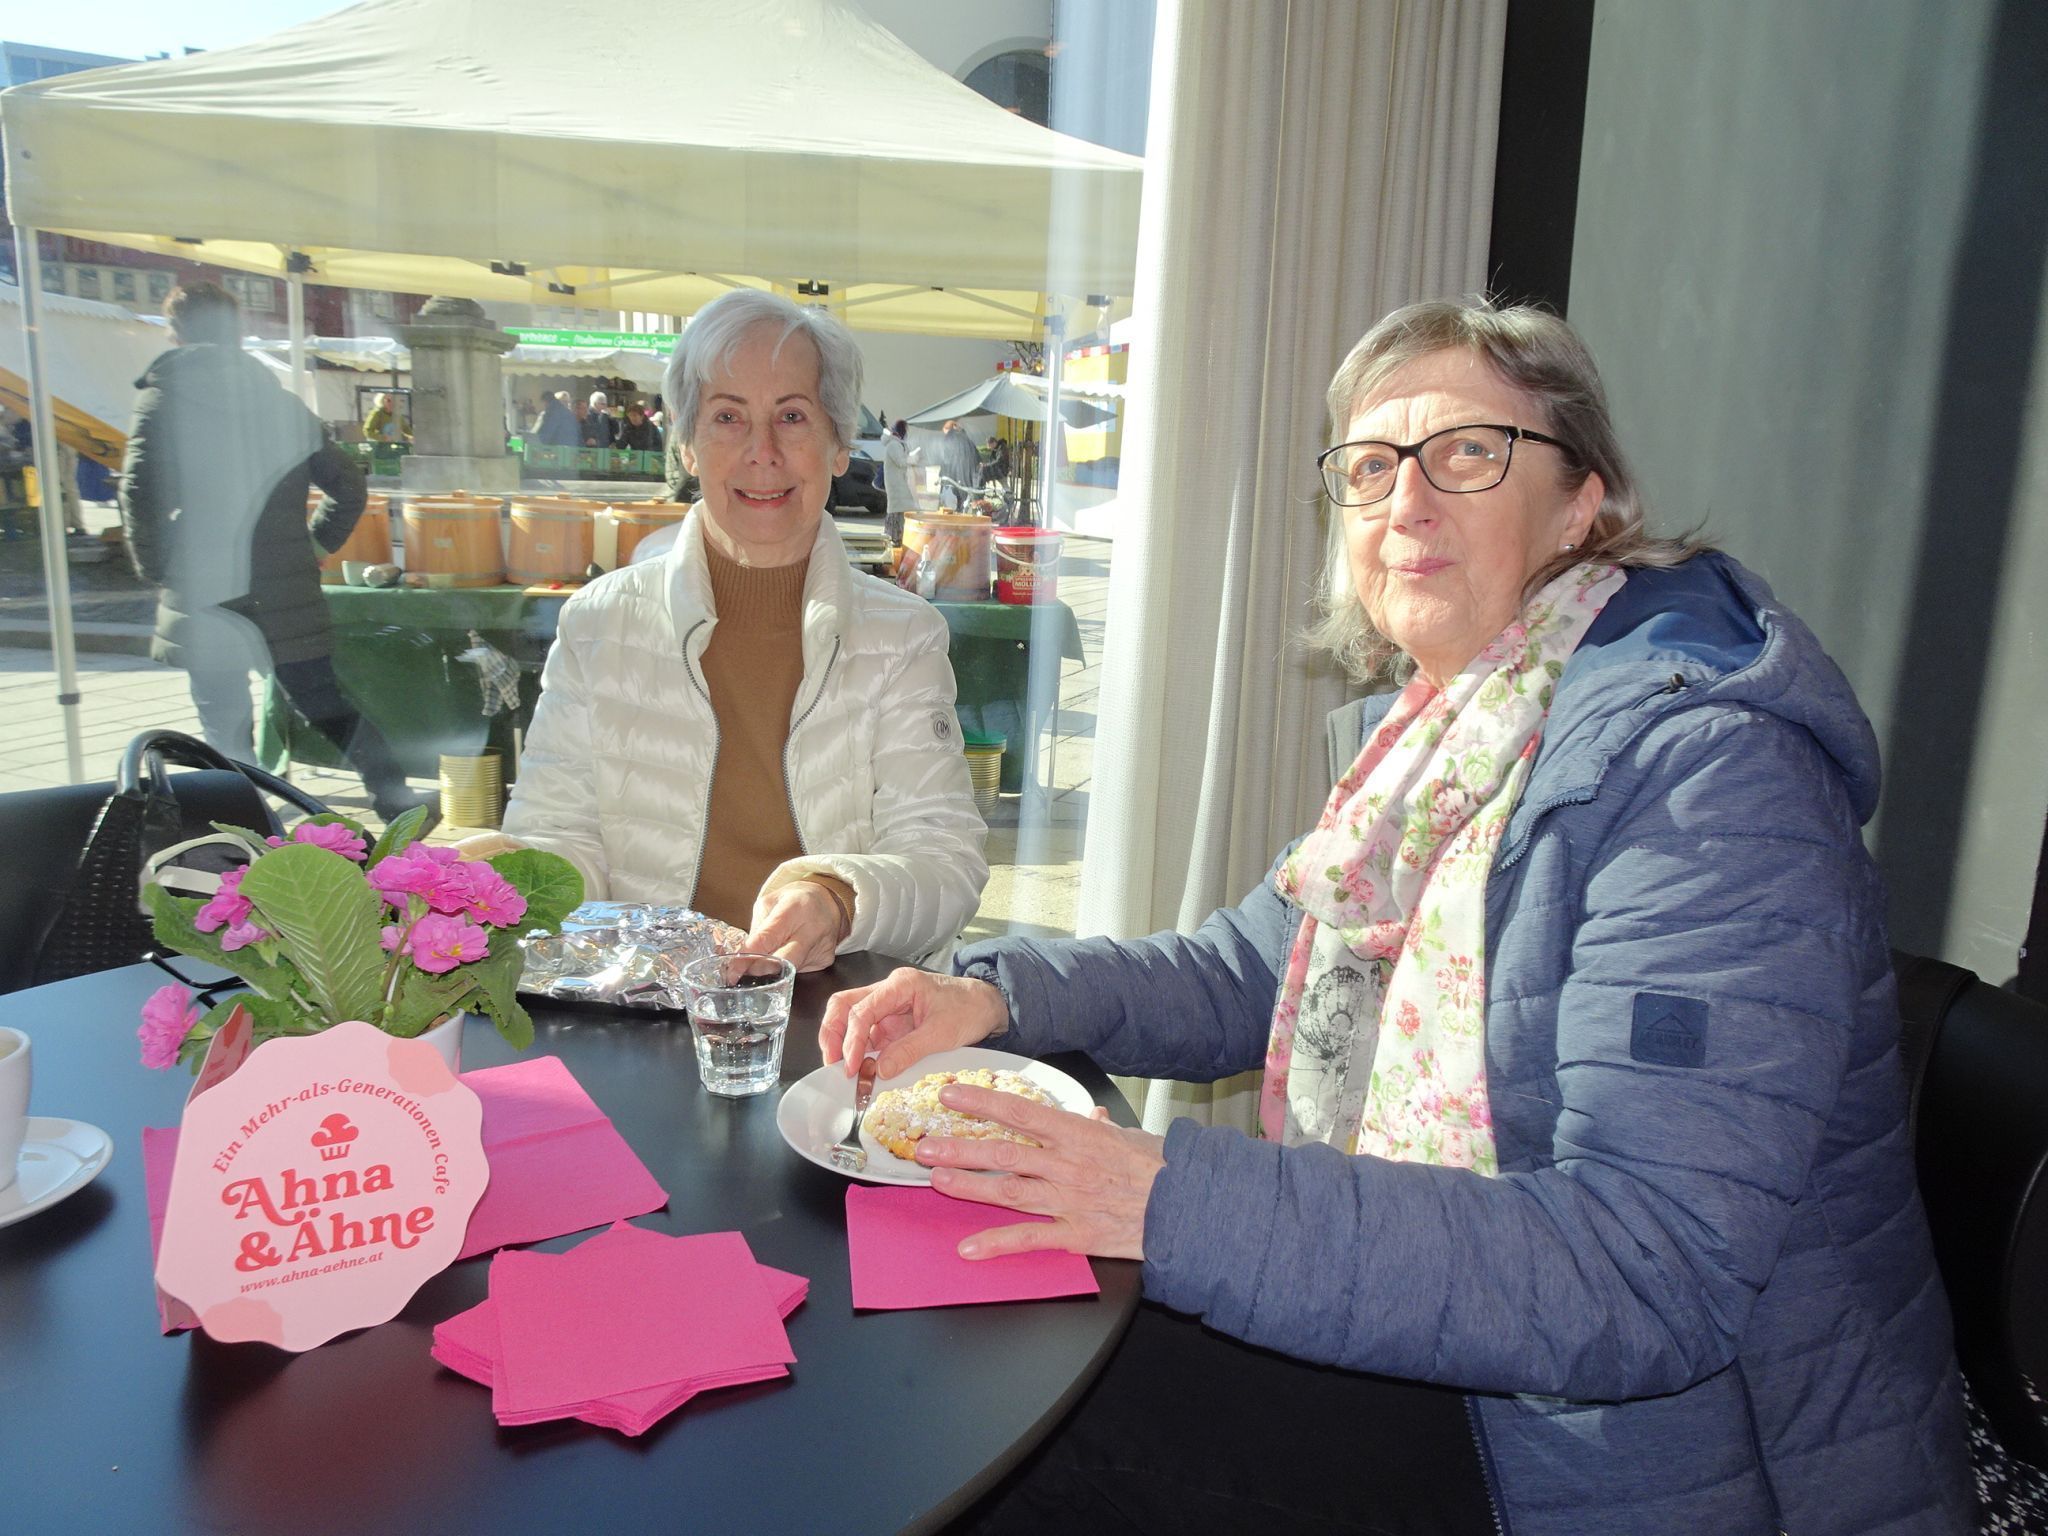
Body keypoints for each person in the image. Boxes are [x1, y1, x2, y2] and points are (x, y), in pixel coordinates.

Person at [821, 300, 1972, 1533]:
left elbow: (1647, 1275)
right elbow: (1244, 971)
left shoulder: (1709, 781)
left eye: (1465, 454)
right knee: (976, 1346)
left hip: (1640, 1459)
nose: (1405, 504)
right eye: (1368, 470)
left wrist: (1161, 1197)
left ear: (1583, 501)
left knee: (1019, 1445)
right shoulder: (1439, 737)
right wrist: (1001, 994)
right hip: (1482, 1367)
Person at [481, 288, 988, 968]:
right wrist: (500, 872)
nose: (762, 451)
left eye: (793, 416)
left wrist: (839, 899)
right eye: (727, 417)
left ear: (838, 444)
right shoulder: (599, 624)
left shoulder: (904, 637)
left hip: (835, 1010)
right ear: (688, 446)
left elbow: (944, 862)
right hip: (647, 1002)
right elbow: (560, 840)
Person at [120, 282, 429, 821]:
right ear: (237, 332)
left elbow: (138, 495)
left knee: (223, 717)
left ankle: (243, 820)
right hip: (284, 581)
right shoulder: (278, 402)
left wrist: (161, 568)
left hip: (204, 582)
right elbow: (349, 486)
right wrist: (313, 544)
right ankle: (395, 797)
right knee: (323, 701)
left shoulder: (163, 400)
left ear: (175, 331)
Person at [880, 417, 921, 547]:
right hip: (897, 487)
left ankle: (898, 540)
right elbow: (901, 462)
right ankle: (895, 542)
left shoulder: (896, 444)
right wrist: (913, 458)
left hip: (898, 485)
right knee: (897, 512)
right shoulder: (893, 445)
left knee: (901, 510)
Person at [935, 418, 980, 509]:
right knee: (964, 508)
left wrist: (941, 475)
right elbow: (977, 458)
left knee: (949, 510)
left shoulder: (949, 439)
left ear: (948, 430)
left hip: (952, 480)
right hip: (967, 481)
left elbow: (946, 461)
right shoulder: (967, 439)